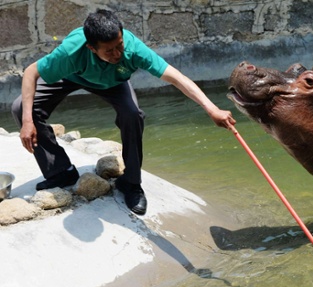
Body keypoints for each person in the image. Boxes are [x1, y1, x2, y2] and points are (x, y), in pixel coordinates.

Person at [12, 9, 236, 215]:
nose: (117, 53)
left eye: (119, 45)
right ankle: (61, 171)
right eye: (109, 50)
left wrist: (212, 109)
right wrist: (27, 122)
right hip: (72, 76)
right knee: (22, 108)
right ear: (91, 47)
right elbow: (31, 72)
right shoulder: (72, 52)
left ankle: (131, 183)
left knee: (133, 114)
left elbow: (175, 77)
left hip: (113, 83)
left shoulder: (132, 48)